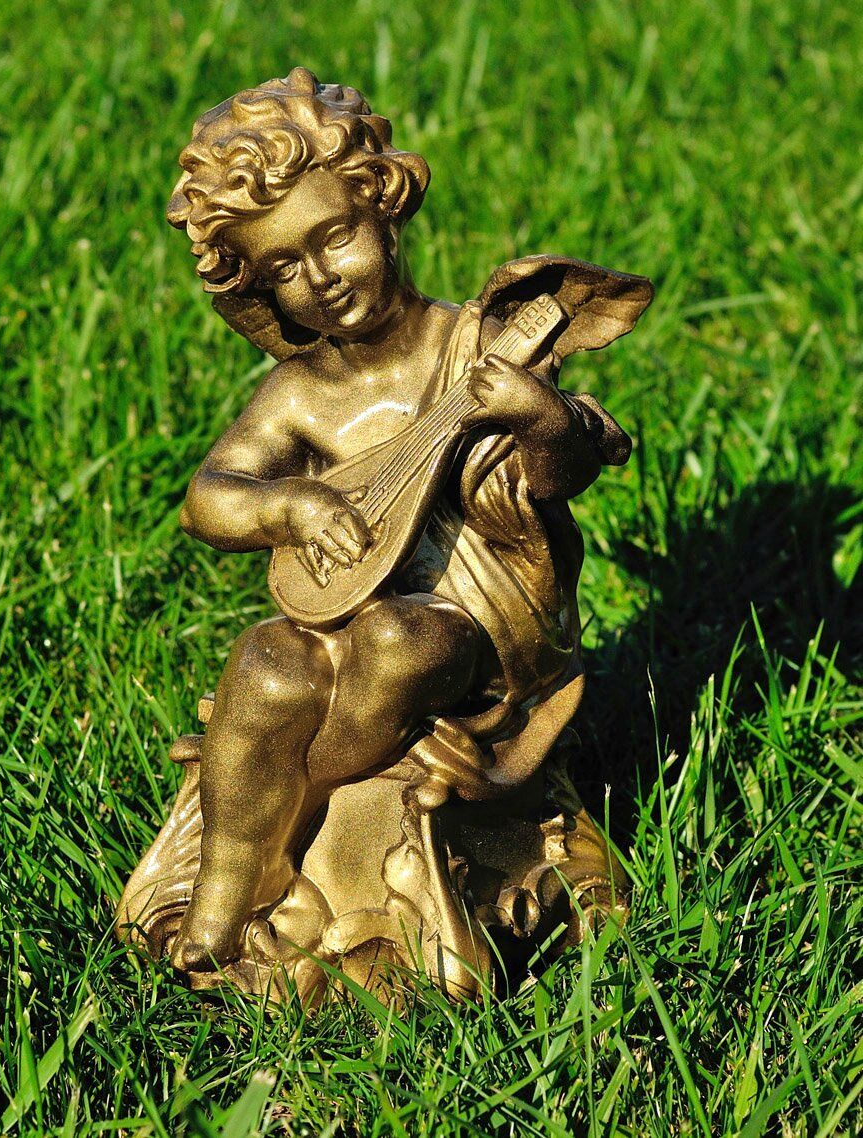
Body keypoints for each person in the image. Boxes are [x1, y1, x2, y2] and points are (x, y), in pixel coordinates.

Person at [163, 68, 650, 971]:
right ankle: (227, 886)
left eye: (333, 237)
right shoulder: (301, 392)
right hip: (345, 609)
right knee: (265, 663)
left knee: (399, 641)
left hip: (487, 628)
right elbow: (207, 499)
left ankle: (297, 800)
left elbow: (562, 474)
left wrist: (538, 415)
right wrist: (291, 504)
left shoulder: (472, 346)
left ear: (382, 204)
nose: (320, 279)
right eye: (284, 269)